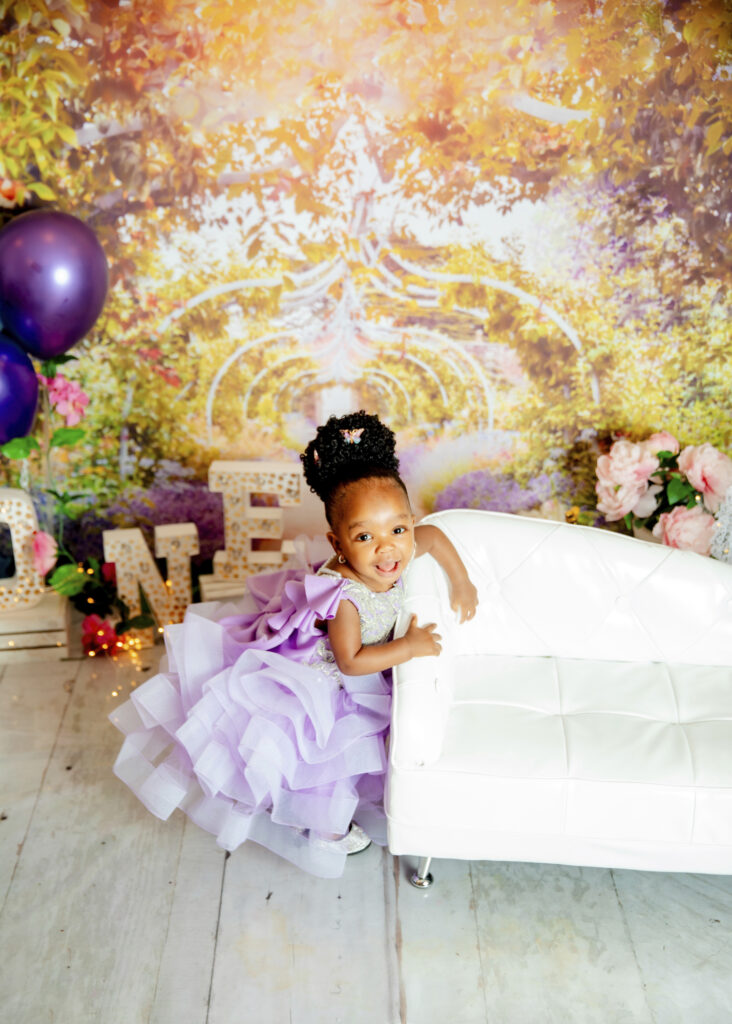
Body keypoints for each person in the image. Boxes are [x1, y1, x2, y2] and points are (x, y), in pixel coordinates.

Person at [109, 411, 478, 878]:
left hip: (358, 667)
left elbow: (437, 537)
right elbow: (352, 660)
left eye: (398, 530)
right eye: (365, 536)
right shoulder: (346, 598)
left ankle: (322, 815)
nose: (388, 549)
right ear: (338, 543)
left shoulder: (402, 545)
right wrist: (409, 647)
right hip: (326, 682)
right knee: (328, 754)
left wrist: (461, 582)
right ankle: (322, 828)